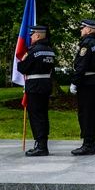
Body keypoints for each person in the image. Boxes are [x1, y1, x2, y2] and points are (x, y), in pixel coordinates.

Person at [18, 25, 56, 157]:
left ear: (38, 35)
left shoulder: (33, 51)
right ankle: (43, 143)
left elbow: (22, 67)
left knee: (35, 115)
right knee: (43, 115)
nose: (30, 37)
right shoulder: (50, 50)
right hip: (45, 84)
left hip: (35, 85)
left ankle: (40, 146)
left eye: (32, 35)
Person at [70, 19, 95, 156]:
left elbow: (81, 65)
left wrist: (75, 82)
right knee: (90, 113)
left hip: (85, 82)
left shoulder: (87, 44)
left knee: (85, 113)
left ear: (89, 30)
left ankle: (88, 144)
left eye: (83, 28)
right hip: (94, 80)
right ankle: (90, 142)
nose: (81, 30)